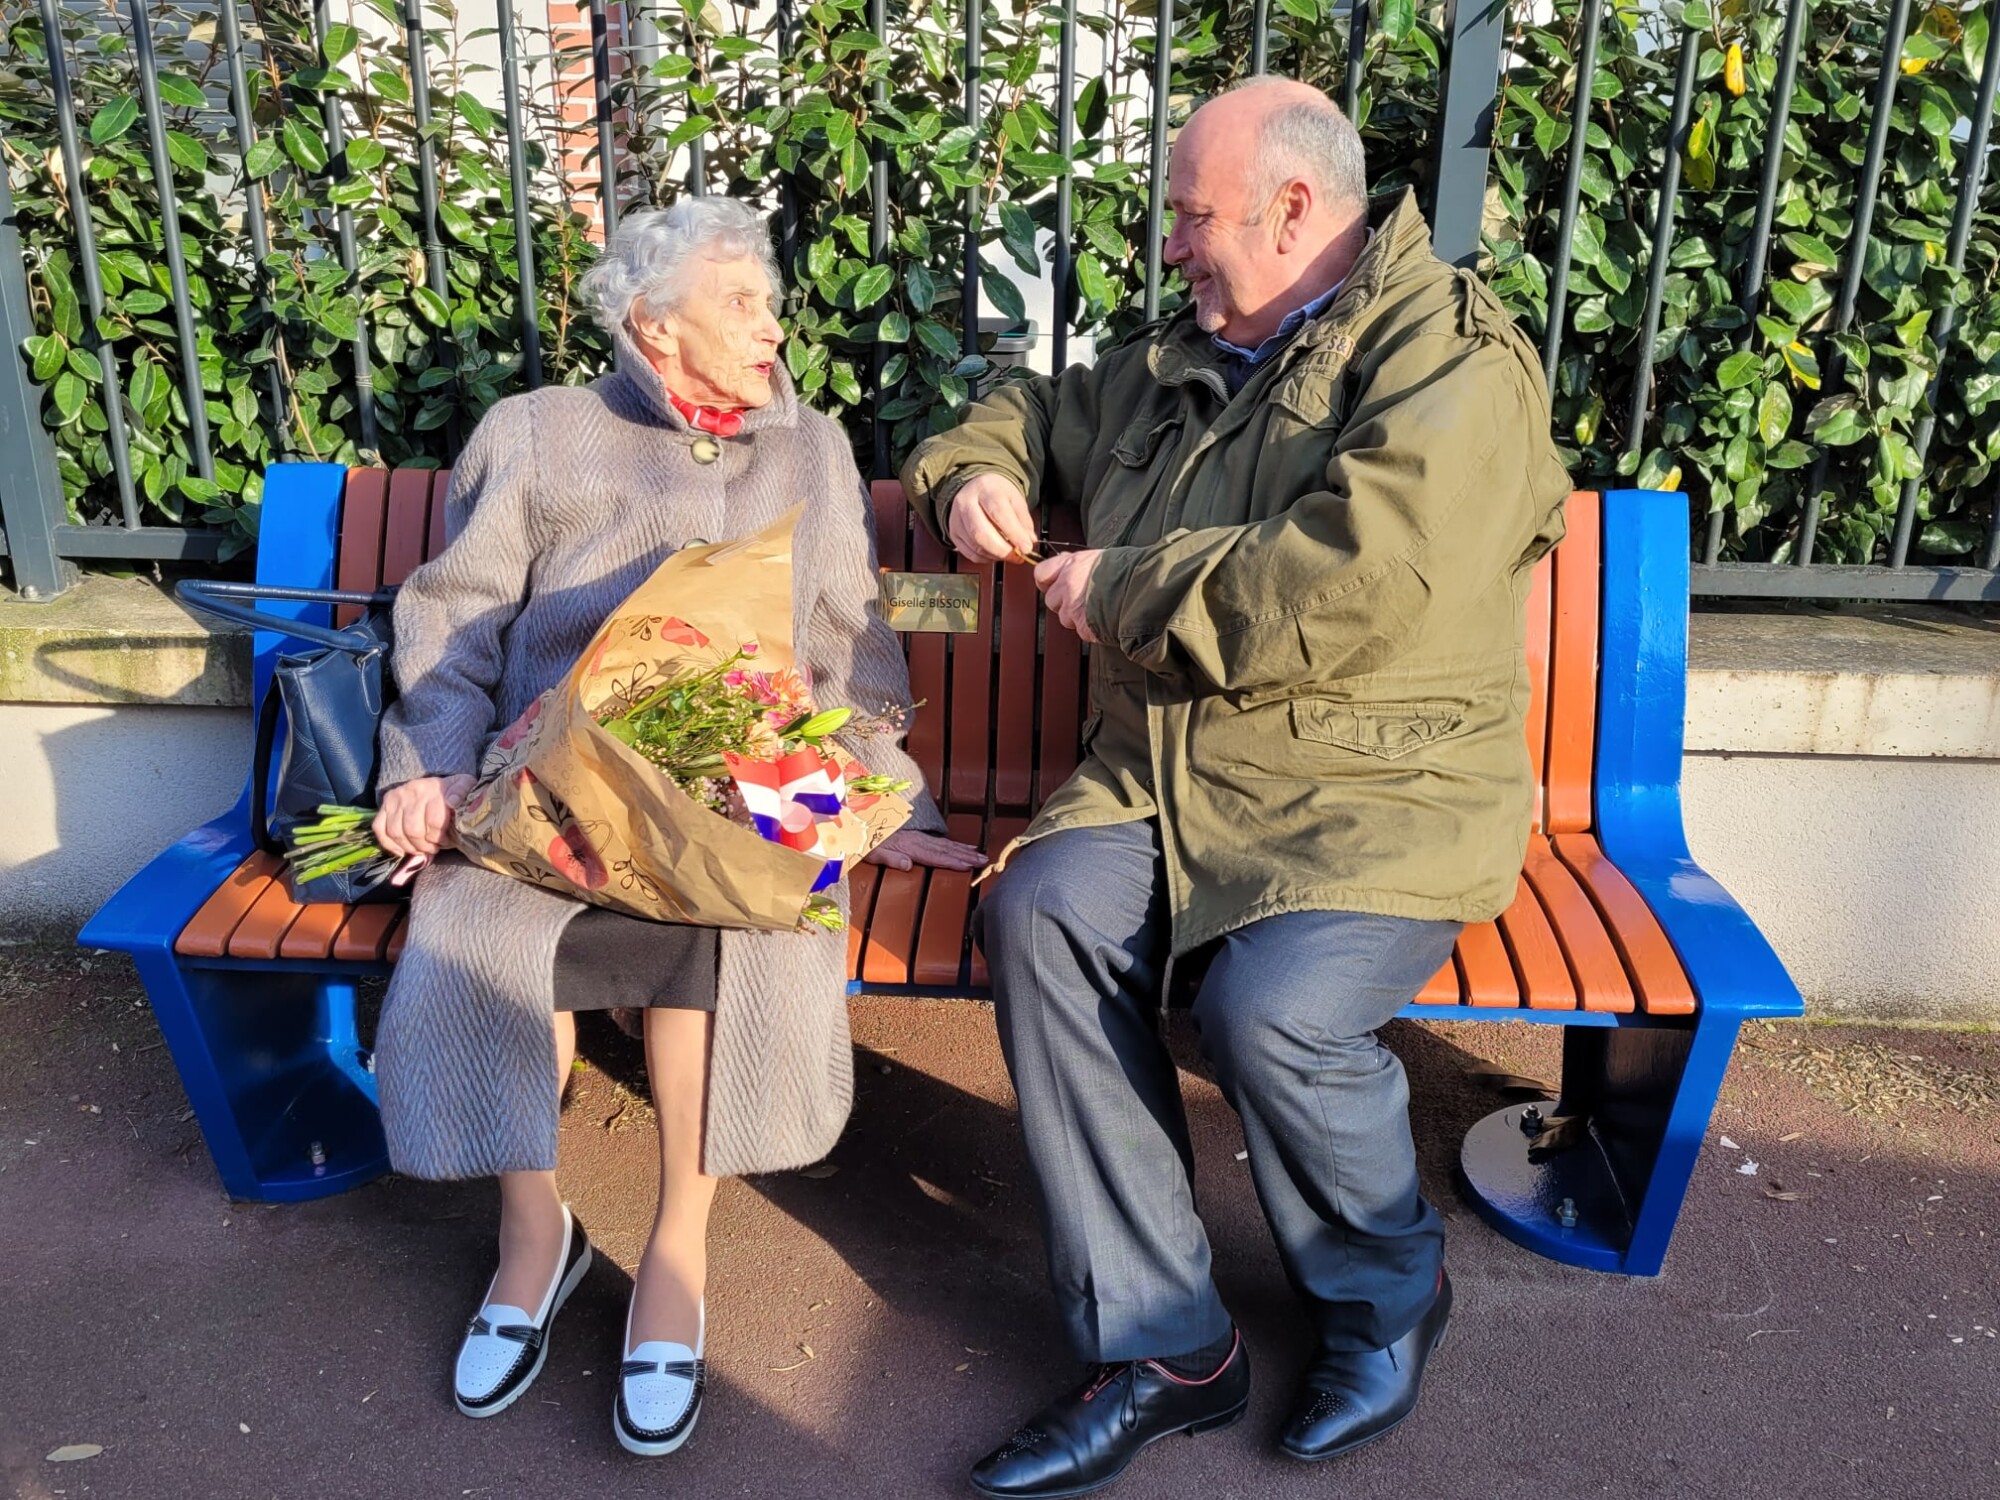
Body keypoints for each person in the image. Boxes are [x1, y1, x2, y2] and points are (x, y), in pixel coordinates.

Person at [901, 77, 1570, 1498]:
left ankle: (1385, 1298)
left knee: (1272, 1013)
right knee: (1045, 915)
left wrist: (1128, 583)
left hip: (1373, 790)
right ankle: (1165, 1346)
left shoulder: (1451, 360)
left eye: (1194, 216)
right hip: (1160, 776)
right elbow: (1027, 404)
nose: (1173, 245)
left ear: (1293, 206)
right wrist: (972, 475)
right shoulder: (1183, 353)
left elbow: (1365, 574)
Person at [368, 197, 984, 1457]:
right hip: (546, 792)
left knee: (741, 928)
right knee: (483, 928)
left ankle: (675, 1253)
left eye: (768, 299)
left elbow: (849, 640)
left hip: (740, 796)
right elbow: (454, 618)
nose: (772, 325)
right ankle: (533, 1239)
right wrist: (425, 767)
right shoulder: (538, 435)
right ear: (653, 324)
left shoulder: (807, 448)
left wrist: (868, 786)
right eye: (741, 302)